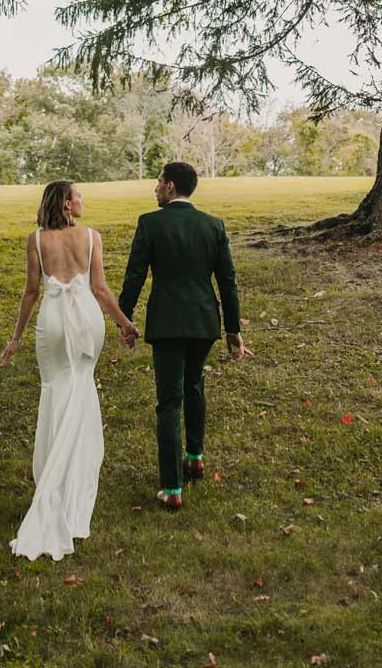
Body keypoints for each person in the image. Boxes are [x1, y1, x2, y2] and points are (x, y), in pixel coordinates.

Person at [0, 180, 138, 561]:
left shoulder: (36, 240)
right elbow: (101, 290)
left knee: (57, 391)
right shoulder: (92, 237)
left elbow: (30, 292)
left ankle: (52, 483)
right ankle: (73, 488)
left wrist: (16, 338)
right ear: (65, 202)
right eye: (78, 195)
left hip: (53, 322)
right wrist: (124, 324)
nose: (82, 200)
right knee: (82, 389)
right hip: (89, 321)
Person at [117, 161, 251, 511]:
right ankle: (194, 457)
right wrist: (233, 329)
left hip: (166, 323)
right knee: (194, 387)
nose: (156, 188)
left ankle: (172, 487)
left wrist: (124, 318)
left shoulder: (150, 223)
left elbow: (135, 275)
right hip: (204, 321)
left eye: (159, 182)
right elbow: (227, 281)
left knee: (169, 400)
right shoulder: (213, 225)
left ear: (172, 187)